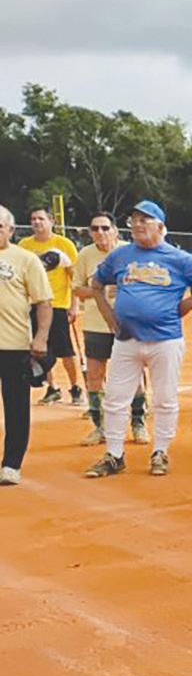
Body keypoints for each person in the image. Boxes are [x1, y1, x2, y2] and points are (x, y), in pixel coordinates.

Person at [85, 200, 192, 479]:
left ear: (160, 226)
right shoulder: (120, 256)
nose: (137, 225)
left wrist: (187, 305)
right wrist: (109, 316)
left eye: (144, 220)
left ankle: (160, 451)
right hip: (126, 339)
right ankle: (114, 454)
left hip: (165, 339)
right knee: (115, 399)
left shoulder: (178, 258)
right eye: (133, 220)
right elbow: (96, 284)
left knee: (165, 399)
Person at [74, 214, 147, 446]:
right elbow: (77, 289)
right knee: (95, 375)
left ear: (115, 230)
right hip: (95, 324)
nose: (100, 232)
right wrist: (100, 290)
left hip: (128, 323)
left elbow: (146, 284)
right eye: (95, 228)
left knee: (134, 374)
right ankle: (100, 426)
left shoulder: (131, 251)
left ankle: (138, 422)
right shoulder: (85, 255)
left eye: (105, 228)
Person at [0, 206, 53, 484]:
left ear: (11, 230)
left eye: (0, 226)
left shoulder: (26, 259)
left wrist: (41, 336)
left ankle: (11, 464)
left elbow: (43, 302)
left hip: (14, 345)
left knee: (16, 407)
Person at [21, 208, 80, 405]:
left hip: (57, 304)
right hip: (33, 304)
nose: (37, 222)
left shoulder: (64, 244)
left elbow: (75, 278)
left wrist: (74, 305)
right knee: (40, 349)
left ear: (51, 221)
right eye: (33, 219)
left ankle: (75, 387)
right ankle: (52, 388)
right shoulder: (25, 245)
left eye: (41, 218)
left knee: (65, 350)